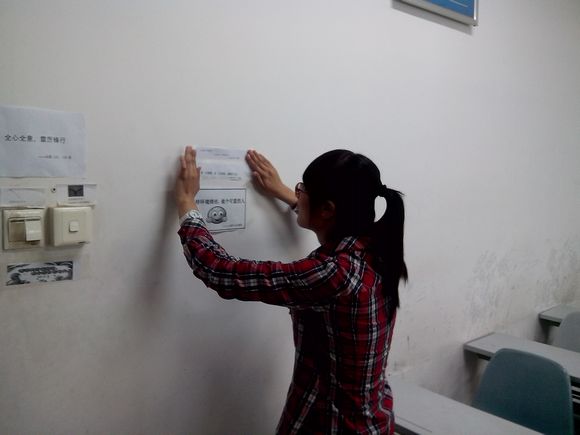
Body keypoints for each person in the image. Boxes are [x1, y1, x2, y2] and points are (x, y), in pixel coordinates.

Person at [175, 146, 408, 434]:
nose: (298, 193)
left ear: (328, 209)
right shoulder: (376, 246)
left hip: (334, 425)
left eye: (302, 189)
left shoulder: (335, 274)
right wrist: (285, 192)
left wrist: (187, 203)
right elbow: (332, 217)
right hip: (374, 416)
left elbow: (220, 271)